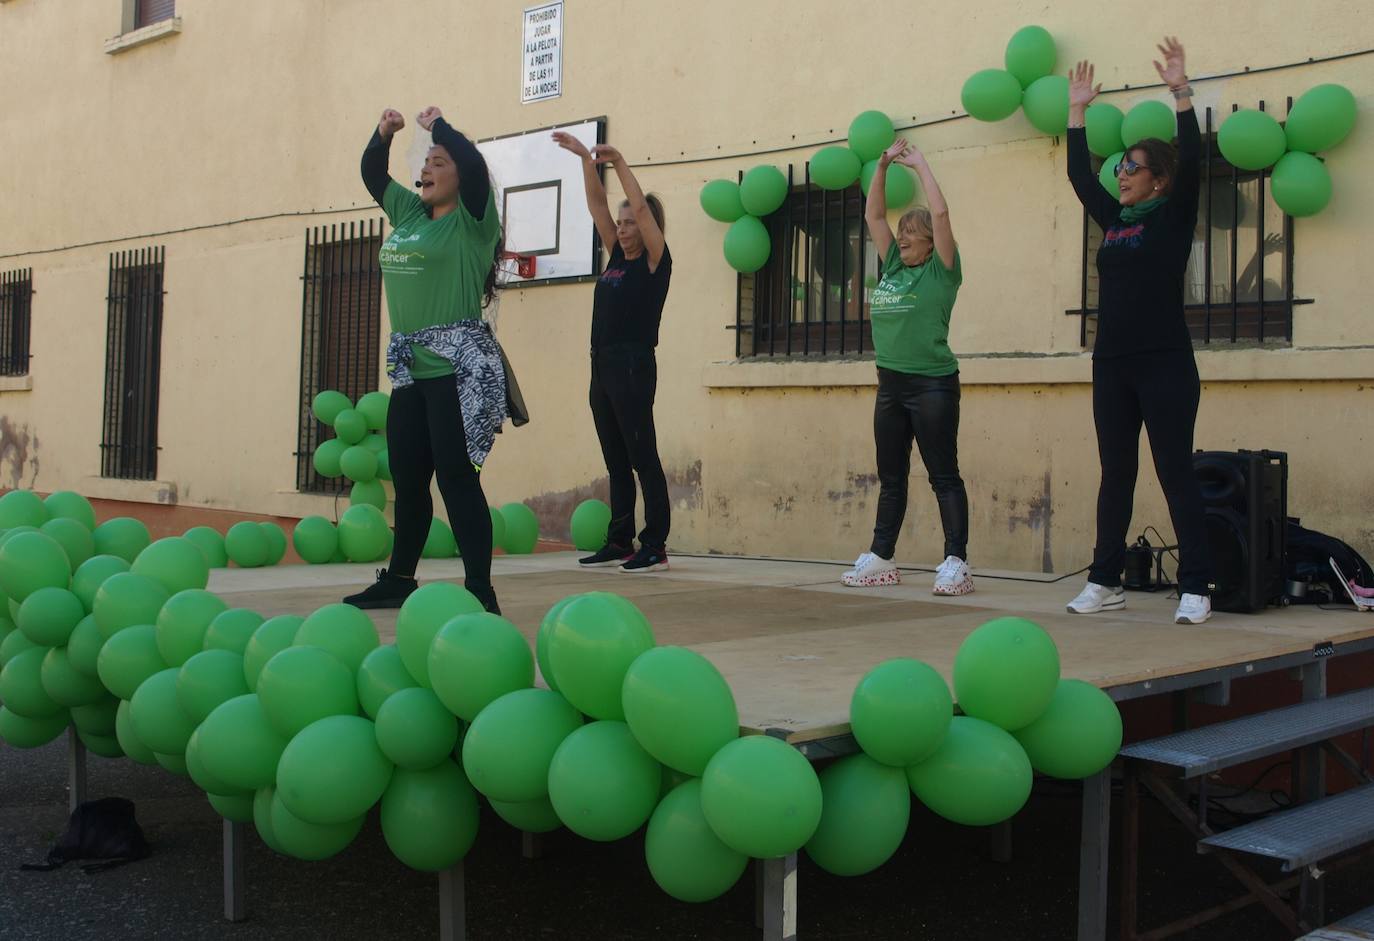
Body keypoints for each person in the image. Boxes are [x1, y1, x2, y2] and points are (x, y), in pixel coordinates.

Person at [1064, 38, 1214, 624]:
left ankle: (1197, 585)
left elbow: (1196, 161)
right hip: (1113, 363)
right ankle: (1106, 580)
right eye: (1120, 166)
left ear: (1158, 180)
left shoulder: (1173, 218)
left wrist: (1180, 92)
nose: (1121, 174)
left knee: (1174, 470)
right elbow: (1080, 174)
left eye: (1132, 168)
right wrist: (1077, 111)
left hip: (1165, 363)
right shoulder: (1115, 220)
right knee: (1116, 473)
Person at [344, 106, 506, 613]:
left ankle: (480, 590)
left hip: (457, 374)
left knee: (457, 481)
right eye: (427, 162)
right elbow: (373, 174)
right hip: (412, 372)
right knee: (409, 482)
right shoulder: (411, 214)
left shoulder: (473, 223)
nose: (429, 169)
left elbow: (476, 169)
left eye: (441, 161)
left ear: (460, 173)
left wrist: (440, 129)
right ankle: (399, 579)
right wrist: (384, 134)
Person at [843, 138, 972, 595]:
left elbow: (940, 214)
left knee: (943, 476)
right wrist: (880, 167)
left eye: (909, 232)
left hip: (933, 386)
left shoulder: (941, 271)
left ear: (929, 240)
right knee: (891, 477)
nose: (900, 237)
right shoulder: (893, 268)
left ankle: (956, 561)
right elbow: (873, 216)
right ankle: (881, 556)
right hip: (890, 387)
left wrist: (920, 166)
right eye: (900, 233)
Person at [553, 130, 673, 573]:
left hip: (633, 366)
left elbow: (637, 205)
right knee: (616, 461)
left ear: (646, 227)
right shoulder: (616, 260)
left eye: (630, 223)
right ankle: (620, 540)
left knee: (643, 457)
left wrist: (619, 162)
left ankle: (654, 544)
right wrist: (587, 161)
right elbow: (597, 207)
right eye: (620, 225)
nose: (622, 227)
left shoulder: (655, 261)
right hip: (601, 367)